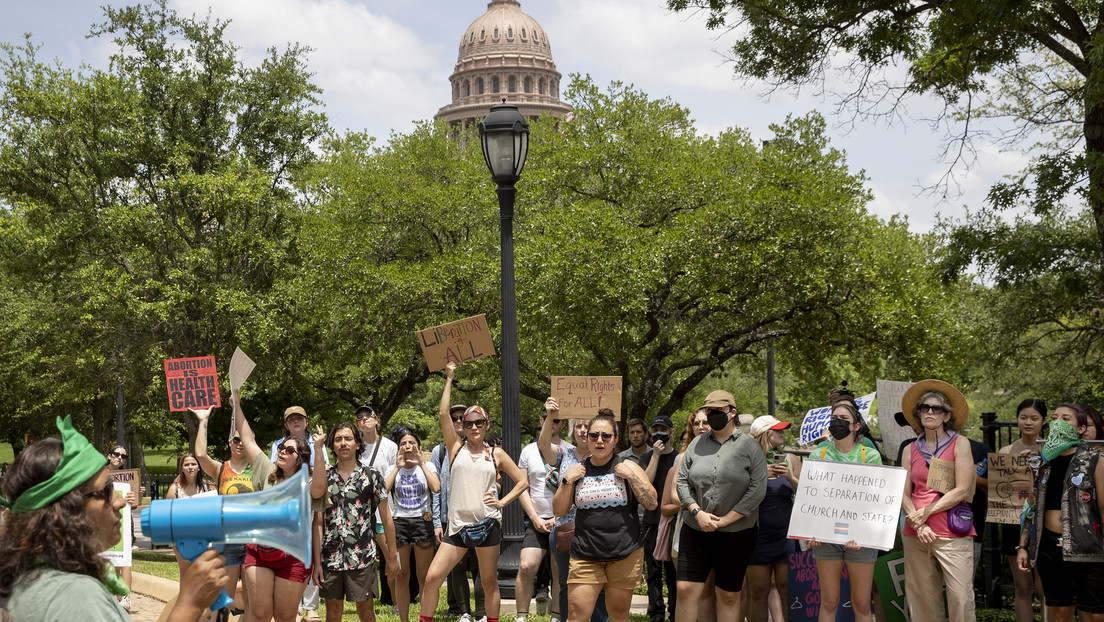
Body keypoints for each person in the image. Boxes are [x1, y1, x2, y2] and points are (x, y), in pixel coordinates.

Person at [0, 416, 228, 622]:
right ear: (65, 510)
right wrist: (189, 604)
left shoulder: (36, 578)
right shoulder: (76, 596)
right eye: (105, 493)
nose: (119, 502)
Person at [418, 361, 529, 622]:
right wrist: (449, 378)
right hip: (457, 527)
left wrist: (502, 501)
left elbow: (522, 481)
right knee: (433, 577)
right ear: (463, 427)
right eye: (469, 424)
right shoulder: (456, 449)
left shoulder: (496, 454)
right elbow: (444, 414)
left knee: (489, 582)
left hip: (488, 524)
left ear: (487, 425)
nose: (474, 427)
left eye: (479, 423)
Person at [552, 410, 657, 622]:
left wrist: (631, 477)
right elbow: (558, 510)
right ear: (587, 438)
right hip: (585, 554)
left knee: (618, 615)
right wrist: (567, 481)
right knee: (575, 615)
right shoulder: (577, 471)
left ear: (615, 440)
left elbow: (652, 502)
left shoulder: (629, 466)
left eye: (606, 436)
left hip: (624, 553)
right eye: (594, 435)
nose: (600, 441)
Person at [674, 390, 767, 622]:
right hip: (695, 528)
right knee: (685, 589)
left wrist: (725, 520)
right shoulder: (696, 444)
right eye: (710, 411)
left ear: (732, 413)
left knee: (728, 595)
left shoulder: (750, 447)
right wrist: (696, 512)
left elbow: (757, 490)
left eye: (718, 412)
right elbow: (682, 480)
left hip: (737, 533)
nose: (713, 416)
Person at [232, 388, 319, 622]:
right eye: (281, 447)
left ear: (300, 457)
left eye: (289, 449)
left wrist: (319, 451)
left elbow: (319, 490)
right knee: (260, 614)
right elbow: (248, 438)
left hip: (294, 555)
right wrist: (237, 405)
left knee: (284, 616)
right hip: (259, 550)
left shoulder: (308, 480)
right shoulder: (266, 469)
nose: (281, 451)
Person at [1018, 404, 1104, 622]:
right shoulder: (1041, 463)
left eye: (1066, 418)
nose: (1058, 422)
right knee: (1060, 612)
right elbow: (1031, 507)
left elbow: (1102, 508)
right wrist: (1023, 546)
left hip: (1088, 547)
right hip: (1049, 547)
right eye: (1055, 417)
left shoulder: (1095, 460)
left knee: (1095, 614)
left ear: (1081, 428)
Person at [899, 379, 977, 622]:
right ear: (918, 414)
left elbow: (963, 489)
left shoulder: (959, 443)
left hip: (952, 534)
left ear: (947, 416)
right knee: (922, 601)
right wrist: (919, 523)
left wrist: (926, 512)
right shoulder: (909, 449)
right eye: (925, 407)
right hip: (916, 534)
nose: (930, 412)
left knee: (961, 600)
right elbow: (903, 493)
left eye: (937, 408)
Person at [311, 421, 399, 622]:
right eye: (338, 439)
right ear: (332, 446)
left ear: (358, 444)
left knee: (365, 610)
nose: (343, 443)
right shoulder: (324, 478)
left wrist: (392, 556)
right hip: (330, 557)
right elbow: (318, 523)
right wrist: (317, 562)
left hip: (362, 556)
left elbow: (386, 518)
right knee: (333, 611)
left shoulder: (372, 475)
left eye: (348, 438)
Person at [807, 403, 881, 622]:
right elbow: (810, 498)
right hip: (825, 538)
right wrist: (810, 529)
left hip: (860, 540)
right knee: (829, 601)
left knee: (861, 603)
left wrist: (863, 534)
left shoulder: (870, 456)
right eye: (834, 418)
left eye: (843, 418)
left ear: (856, 426)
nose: (837, 421)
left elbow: (876, 502)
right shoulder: (817, 455)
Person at [539, 406, 611, 622]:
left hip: (597, 531)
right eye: (577, 426)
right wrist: (551, 415)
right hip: (565, 531)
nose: (581, 430)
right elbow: (543, 445)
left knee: (598, 583)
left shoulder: (603, 456)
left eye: (585, 427)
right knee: (565, 582)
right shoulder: (563, 454)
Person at [991, 398, 1047, 622]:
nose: (1028, 422)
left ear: (1043, 421)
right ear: (1017, 420)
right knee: (1022, 589)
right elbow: (999, 489)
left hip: (1044, 524)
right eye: (1023, 417)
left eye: (1034, 418)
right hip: (1014, 523)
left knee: (1045, 591)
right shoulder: (1006, 450)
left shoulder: (1050, 450)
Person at [194, 404, 253, 615]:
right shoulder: (220, 469)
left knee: (252, 602)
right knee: (223, 603)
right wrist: (203, 421)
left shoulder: (260, 470)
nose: (240, 444)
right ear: (230, 443)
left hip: (253, 541)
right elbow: (200, 454)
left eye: (244, 439)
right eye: (236, 440)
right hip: (227, 540)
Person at [430, 403, 485, 622]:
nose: (460, 421)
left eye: (465, 418)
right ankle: (463, 611)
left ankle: (481, 612)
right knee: (457, 566)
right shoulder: (441, 450)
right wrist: (436, 522)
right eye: (455, 418)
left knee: (480, 567)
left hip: (480, 517)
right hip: (450, 518)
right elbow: (436, 488)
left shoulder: (485, 448)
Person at [515, 407, 570, 622]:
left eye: (556, 421)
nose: (552, 424)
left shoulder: (571, 450)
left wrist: (558, 518)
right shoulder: (528, 451)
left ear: (563, 424)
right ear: (541, 421)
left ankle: (556, 616)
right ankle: (521, 617)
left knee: (558, 569)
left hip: (562, 521)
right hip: (535, 520)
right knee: (527, 565)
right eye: (548, 419)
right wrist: (535, 518)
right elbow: (522, 487)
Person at [660, 408, 714, 622]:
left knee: (711, 591)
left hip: (721, 528)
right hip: (689, 527)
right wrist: (697, 508)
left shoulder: (728, 455)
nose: (700, 427)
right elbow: (673, 495)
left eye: (705, 422)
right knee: (688, 590)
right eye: (696, 423)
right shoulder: (683, 457)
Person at [746, 415, 799, 622]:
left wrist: (790, 477)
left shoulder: (791, 459)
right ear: (764, 434)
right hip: (757, 536)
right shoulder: (747, 462)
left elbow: (808, 495)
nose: (782, 432)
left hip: (786, 536)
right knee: (758, 591)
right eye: (777, 430)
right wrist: (760, 475)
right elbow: (736, 494)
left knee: (787, 589)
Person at [385, 427, 441, 622]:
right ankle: (404, 620)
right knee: (401, 575)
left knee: (424, 575)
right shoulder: (393, 467)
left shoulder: (428, 466)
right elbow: (383, 491)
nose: (407, 446)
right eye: (403, 443)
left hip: (422, 521)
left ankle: (425, 618)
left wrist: (421, 464)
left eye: (411, 443)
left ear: (418, 446)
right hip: (399, 522)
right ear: (399, 448)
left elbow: (435, 487)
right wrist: (396, 467)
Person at [638, 415, 678, 622]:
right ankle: (656, 613)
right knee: (653, 571)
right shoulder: (646, 458)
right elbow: (645, 485)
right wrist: (654, 456)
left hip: (673, 521)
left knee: (672, 571)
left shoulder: (680, 458)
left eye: (663, 429)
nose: (659, 433)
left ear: (671, 432)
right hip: (651, 521)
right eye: (655, 430)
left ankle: (675, 611)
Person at [104, 443, 140, 611]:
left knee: (125, 558)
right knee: (109, 558)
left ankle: (125, 598)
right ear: (109, 456)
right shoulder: (99, 475)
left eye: (123, 456)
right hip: (104, 522)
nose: (119, 458)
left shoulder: (130, 478)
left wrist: (135, 497)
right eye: (116, 454)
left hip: (124, 520)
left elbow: (133, 505)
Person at [166, 452, 214, 574]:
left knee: (204, 571)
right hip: (180, 536)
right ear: (181, 468)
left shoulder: (209, 487)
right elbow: (168, 516)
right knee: (186, 571)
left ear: (199, 467)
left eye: (193, 464)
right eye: (187, 464)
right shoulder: (175, 490)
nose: (190, 467)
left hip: (205, 536)